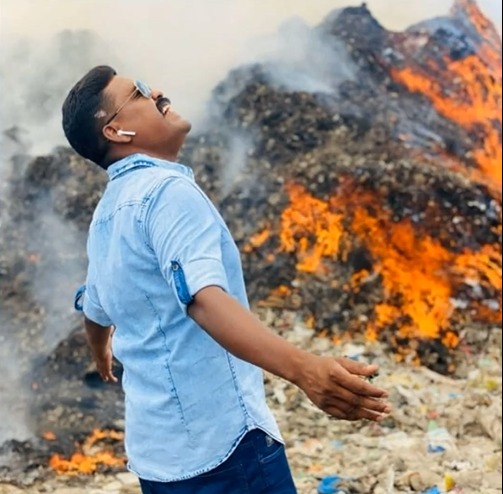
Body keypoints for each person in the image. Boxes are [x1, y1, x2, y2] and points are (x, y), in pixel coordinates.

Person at [62, 65, 391, 494]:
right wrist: (306, 370)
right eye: (140, 92)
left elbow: (95, 305)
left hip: (159, 460)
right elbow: (201, 299)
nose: (158, 91)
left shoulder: (106, 215)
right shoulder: (168, 193)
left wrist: (100, 349)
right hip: (225, 452)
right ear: (117, 131)